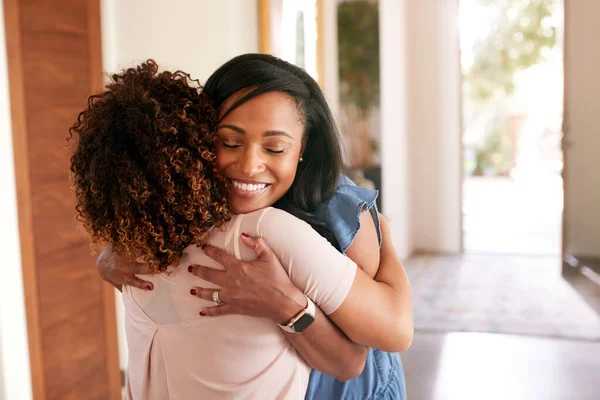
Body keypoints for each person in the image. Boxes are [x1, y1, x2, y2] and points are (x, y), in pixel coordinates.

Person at [96, 54, 413, 399]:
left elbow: (367, 349)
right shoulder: (194, 199)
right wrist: (110, 253)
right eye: (229, 142)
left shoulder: (336, 207)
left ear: (303, 148)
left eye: (275, 148)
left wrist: (385, 236)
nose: (249, 165)